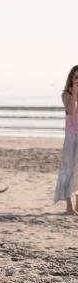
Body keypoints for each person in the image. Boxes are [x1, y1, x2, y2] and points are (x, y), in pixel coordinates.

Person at [54, 65, 78, 215]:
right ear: (71, 78)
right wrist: (74, 91)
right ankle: (69, 206)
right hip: (72, 137)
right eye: (76, 77)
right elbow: (70, 110)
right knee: (69, 170)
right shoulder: (66, 94)